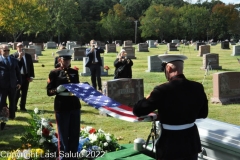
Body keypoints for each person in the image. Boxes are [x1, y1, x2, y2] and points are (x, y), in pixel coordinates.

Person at [133, 54, 208, 160]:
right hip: (191, 141)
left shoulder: (162, 90)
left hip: (170, 144)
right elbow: (203, 114)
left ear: (168, 68)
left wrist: (149, 96)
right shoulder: (198, 87)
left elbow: (138, 110)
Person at [47, 49, 81, 159]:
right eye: (65, 60)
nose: (67, 62)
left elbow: (77, 86)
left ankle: (73, 156)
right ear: (60, 60)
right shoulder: (54, 73)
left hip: (74, 105)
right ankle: (63, 157)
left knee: (74, 133)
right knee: (63, 134)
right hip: (62, 106)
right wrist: (57, 90)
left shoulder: (74, 72)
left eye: (69, 60)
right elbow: (49, 91)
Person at [0, 44, 21, 128]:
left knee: (12, 101)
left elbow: (18, 72)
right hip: (2, 85)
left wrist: (19, 82)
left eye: (8, 50)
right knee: (2, 102)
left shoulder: (14, 60)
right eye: (5, 50)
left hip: (12, 85)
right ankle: (3, 117)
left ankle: (12, 116)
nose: (7, 52)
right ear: (0, 50)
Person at [11, 43, 35, 111]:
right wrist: (19, 58)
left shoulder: (28, 56)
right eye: (19, 46)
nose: (21, 47)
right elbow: (14, 66)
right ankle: (14, 107)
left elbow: (31, 66)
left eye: (22, 46)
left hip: (25, 76)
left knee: (24, 93)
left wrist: (31, 76)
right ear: (16, 47)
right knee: (16, 93)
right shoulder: (13, 56)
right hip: (17, 77)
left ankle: (22, 106)